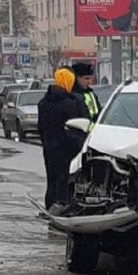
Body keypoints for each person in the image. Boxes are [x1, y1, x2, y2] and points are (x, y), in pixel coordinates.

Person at [37, 68, 88, 210]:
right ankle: (63, 206)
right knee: (65, 179)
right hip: (66, 148)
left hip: (49, 147)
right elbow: (76, 126)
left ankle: (50, 205)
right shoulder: (69, 103)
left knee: (51, 179)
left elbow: (40, 127)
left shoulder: (43, 102)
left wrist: (46, 141)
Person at [71, 61, 101, 127]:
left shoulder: (92, 95)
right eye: (86, 78)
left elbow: (99, 115)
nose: (89, 82)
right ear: (76, 78)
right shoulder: (69, 96)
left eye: (90, 78)